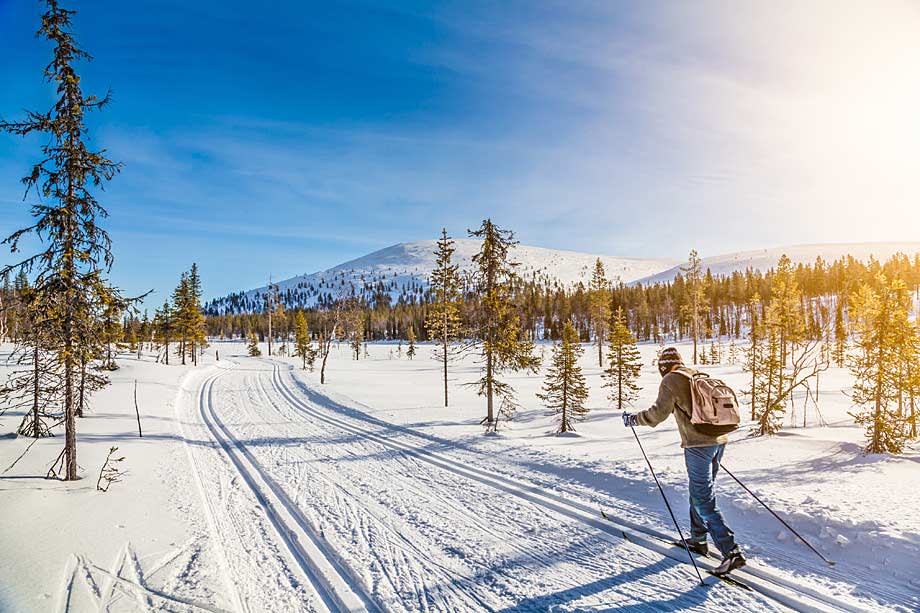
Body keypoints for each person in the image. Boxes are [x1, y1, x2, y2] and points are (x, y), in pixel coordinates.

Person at [622, 346, 746, 576]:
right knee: (699, 492)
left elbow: (657, 414)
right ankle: (698, 539)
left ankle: (731, 552)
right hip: (718, 441)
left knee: (702, 497)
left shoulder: (671, 380)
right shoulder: (696, 374)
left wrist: (633, 420)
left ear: (663, 367)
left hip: (699, 446)